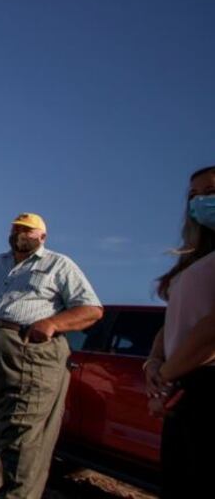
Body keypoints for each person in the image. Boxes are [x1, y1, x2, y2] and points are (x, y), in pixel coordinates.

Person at [0, 213, 103, 499]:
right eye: (15, 229)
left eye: (27, 230)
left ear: (42, 237)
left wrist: (52, 324)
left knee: (22, 439)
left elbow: (91, 309)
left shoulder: (58, 264)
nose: (19, 234)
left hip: (26, 352)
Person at [143, 165, 215, 499]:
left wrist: (166, 379)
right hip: (183, 385)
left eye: (211, 191)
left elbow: (210, 329)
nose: (202, 201)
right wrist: (154, 363)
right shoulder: (195, 261)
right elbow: (172, 322)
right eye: (194, 196)